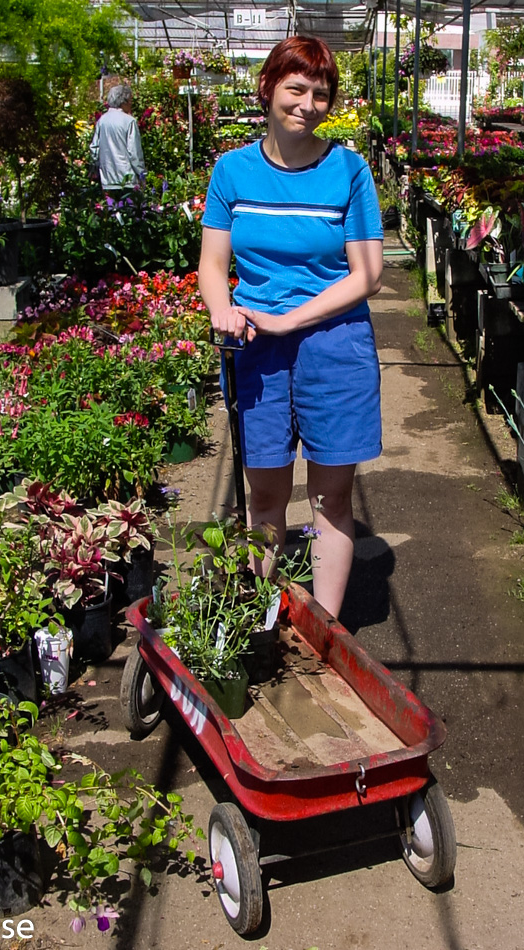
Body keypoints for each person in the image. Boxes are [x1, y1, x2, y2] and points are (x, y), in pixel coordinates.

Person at [198, 36, 384, 620]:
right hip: (255, 349)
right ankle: (261, 615)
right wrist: (219, 307)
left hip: (336, 344)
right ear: (269, 89)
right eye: (296, 89)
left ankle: (327, 630)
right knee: (267, 494)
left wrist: (289, 319)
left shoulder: (349, 170)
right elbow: (211, 264)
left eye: (321, 94)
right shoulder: (232, 171)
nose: (307, 104)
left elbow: (368, 274)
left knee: (331, 496)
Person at [90, 84, 146, 192]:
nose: (131, 104)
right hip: (127, 179)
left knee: (112, 207)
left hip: (107, 178)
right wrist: (141, 174)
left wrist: (98, 166)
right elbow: (134, 153)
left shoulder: (102, 120)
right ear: (123, 102)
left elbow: (94, 148)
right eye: (130, 101)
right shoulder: (129, 121)